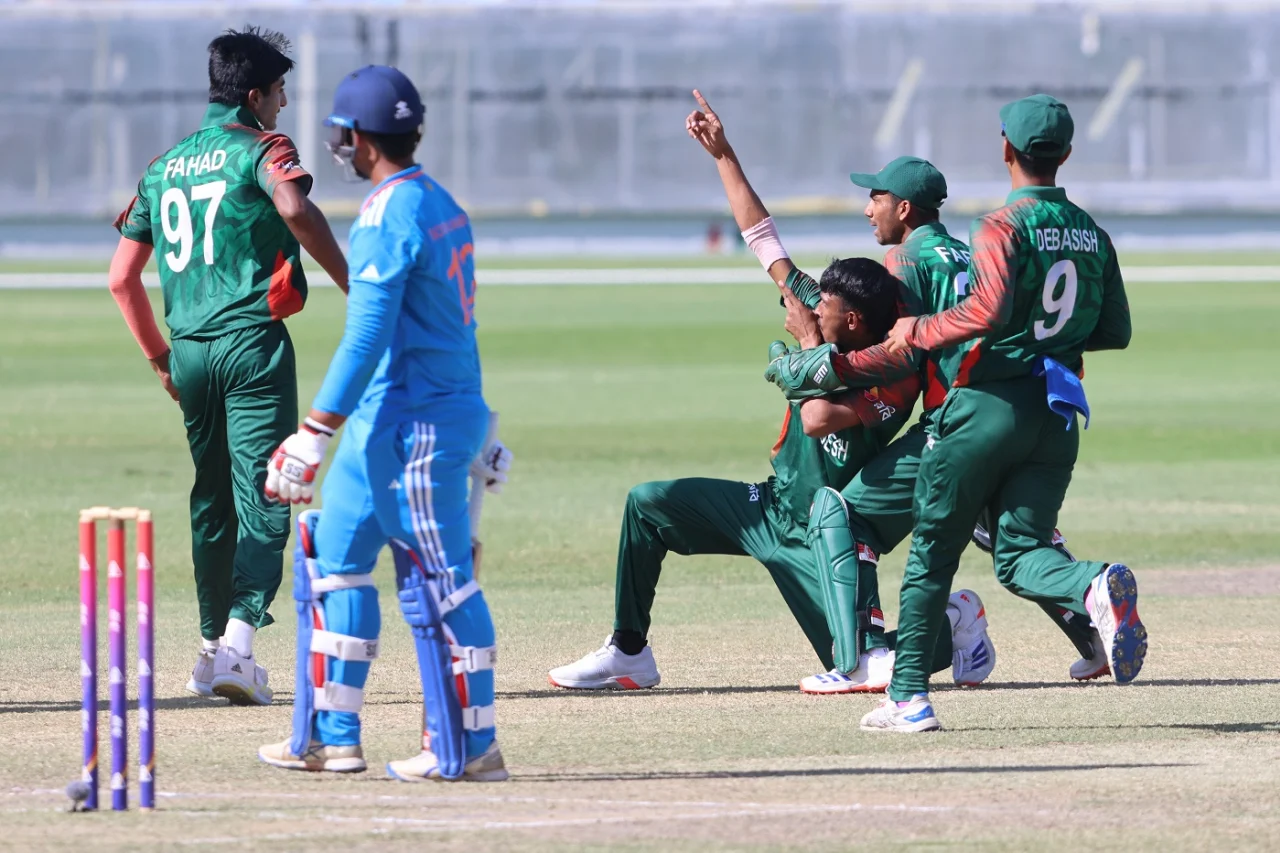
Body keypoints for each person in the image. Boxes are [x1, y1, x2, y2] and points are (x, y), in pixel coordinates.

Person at [546, 91, 992, 692]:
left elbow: (820, 418)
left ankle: (956, 622)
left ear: (852, 320)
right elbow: (765, 244)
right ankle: (628, 650)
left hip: (818, 537)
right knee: (647, 504)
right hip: (769, 505)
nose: (810, 304)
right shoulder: (831, 314)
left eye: (824, 304)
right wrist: (723, 154)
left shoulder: (893, 370)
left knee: (868, 657)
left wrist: (807, 349)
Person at [256, 65, 512, 781]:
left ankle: (473, 742)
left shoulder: (388, 213)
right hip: (387, 421)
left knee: (443, 583)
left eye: (343, 134)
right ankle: (332, 736)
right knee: (330, 563)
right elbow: (452, 325)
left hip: (419, 427)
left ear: (359, 138)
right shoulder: (442, 203)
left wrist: (311, 433)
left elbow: (366, 335)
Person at [862, 94, 1141, 732]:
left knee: (933, 552)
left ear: (1007, 150)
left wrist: (920, 330)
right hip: (1059, 409)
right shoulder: (1093, 232)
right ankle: (1095, 584)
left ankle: (907, 698)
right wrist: (1053, 340)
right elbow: (1116, 330)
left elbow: (984, 313)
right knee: (1018, 555)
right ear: (1065, 154)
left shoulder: (1000, 226)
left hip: (987, 407)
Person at [107, 26, 349, 706]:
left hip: (188, 351)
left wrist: (160, 357)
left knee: (212, 498)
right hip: (250, 346)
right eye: (278, 93)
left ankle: (213, 650)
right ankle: (240, 647)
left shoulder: (164, 165)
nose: (283, 105)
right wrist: (354, 283)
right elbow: (295, 205)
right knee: (271, 492)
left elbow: (122, 278)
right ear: (253, 94)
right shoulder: (261, 147)